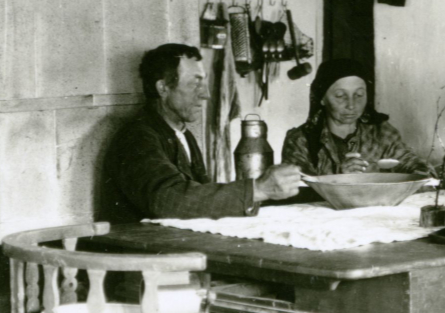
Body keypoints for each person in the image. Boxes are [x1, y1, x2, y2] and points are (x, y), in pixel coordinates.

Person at [102, 44, 301, 222]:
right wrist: (256, 189)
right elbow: (168, 200)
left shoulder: (181, 133)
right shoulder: (137, 137)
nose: (205, 94)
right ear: (162, 88)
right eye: (194, 83)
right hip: (140, 258)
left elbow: (199, 196)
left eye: (203, 83)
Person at [281, 58, 429, 176]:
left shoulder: (381, 133)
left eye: (359, 95)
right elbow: (295, 189)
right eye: (340, 96)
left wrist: (427, 174)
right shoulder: (301, 140)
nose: (351, 105)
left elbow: (413, 164)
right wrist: (337, 176)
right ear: (322, 98)